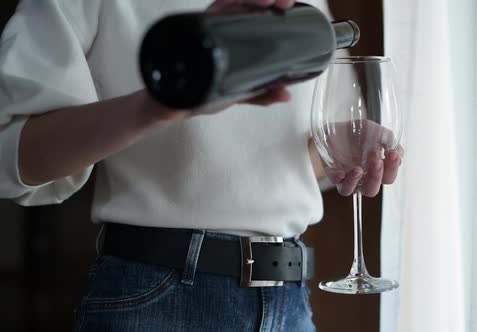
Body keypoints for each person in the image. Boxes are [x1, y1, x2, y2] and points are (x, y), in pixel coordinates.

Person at [0, 0, 403, 331]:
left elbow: (290, 161)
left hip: (291, 302)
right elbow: (13, 155)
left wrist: (340, 148)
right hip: (158, 301)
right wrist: (156, 107)